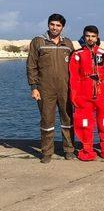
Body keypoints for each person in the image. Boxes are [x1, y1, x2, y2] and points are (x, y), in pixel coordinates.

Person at [26, 13, 75, 163]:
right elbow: (31, 65)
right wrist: (34, 87)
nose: (55, 28)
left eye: (58, 25)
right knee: (47, 121)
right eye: (52, 24)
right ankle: (47, 152)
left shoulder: (67, 43)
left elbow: (75, 66)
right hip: (45, 89)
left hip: (66, 88)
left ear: (63, 27)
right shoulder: (38, 41)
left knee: (67, 119)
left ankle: (69, 150)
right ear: (48, 25)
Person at [69, 25, 104, 161]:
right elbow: (74, 77)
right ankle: (87, 149)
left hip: (102, 96)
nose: (90, 38)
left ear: (97, 37)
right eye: (87, 36)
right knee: (84, 123)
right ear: (84, 37)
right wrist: (74, 96)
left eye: (93, 36)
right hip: (83, 96)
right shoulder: (77, 55)